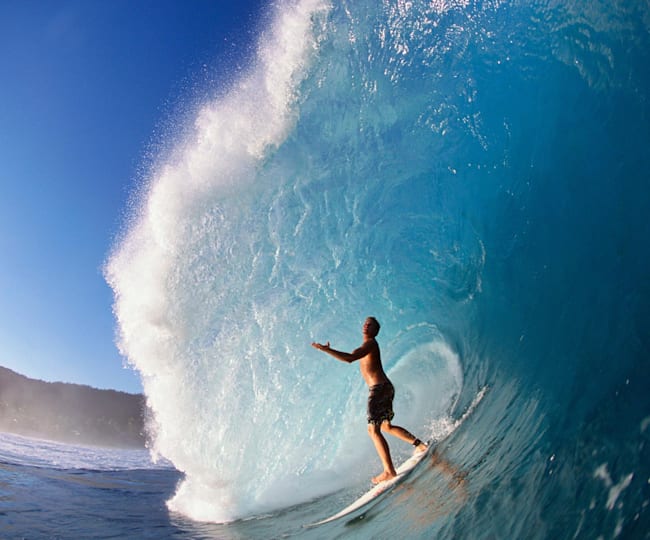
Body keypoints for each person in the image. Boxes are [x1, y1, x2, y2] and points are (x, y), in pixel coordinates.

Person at [312, 316, 428, 484]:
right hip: (385, 388)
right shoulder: (367, 346)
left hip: (379, 390)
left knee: (373, 431)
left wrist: (326, 350)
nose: (367, 325)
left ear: (375, 331)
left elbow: (350, 359)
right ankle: (419, 445)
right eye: (365, 323)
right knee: (385, 426)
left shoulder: (371, 344)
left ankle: (389, 471)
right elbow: (353, 356)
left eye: (371, 324)